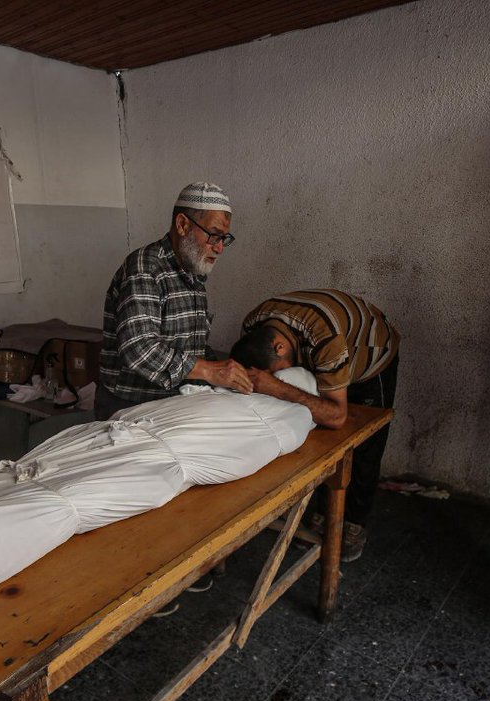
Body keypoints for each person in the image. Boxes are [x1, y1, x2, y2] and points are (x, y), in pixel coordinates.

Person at [230, 289, 400, 562]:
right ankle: (324, 511)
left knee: (364, 443)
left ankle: (355, 523)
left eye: (280, 371)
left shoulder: (326, 340)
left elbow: (337, 416)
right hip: (325, 350)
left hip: (369, 355)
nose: (283, 376)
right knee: (315, 434)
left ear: (280, 347)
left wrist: (279, 387)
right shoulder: (254, 325)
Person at [96, 182, 252, 421]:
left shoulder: (193, 274)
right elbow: (139, 348)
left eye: (224, 238)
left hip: (171, 402)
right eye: (213, 235)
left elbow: (190, 347)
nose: (219, 248)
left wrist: (230, 371)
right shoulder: (145, 268)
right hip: (129, 407)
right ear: (182, 225)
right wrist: (210, 371)